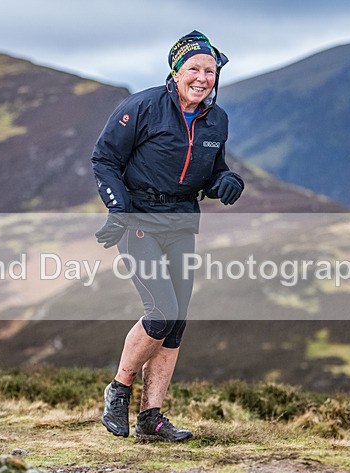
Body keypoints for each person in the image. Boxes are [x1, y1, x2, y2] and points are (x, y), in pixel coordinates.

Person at [91, 30, 244, 442]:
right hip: (140, 219)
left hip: (181, 223)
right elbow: (104, 159)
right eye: (193, 68)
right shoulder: (142, 107)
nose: (202, 77)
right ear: (175, 71)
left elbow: (213, 170)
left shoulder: (217, 120)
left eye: (209, 70)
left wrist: (226, 180)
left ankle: (151, 418)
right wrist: (118, 209)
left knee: (176, 324)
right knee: (160, 314)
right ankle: (119, 389)